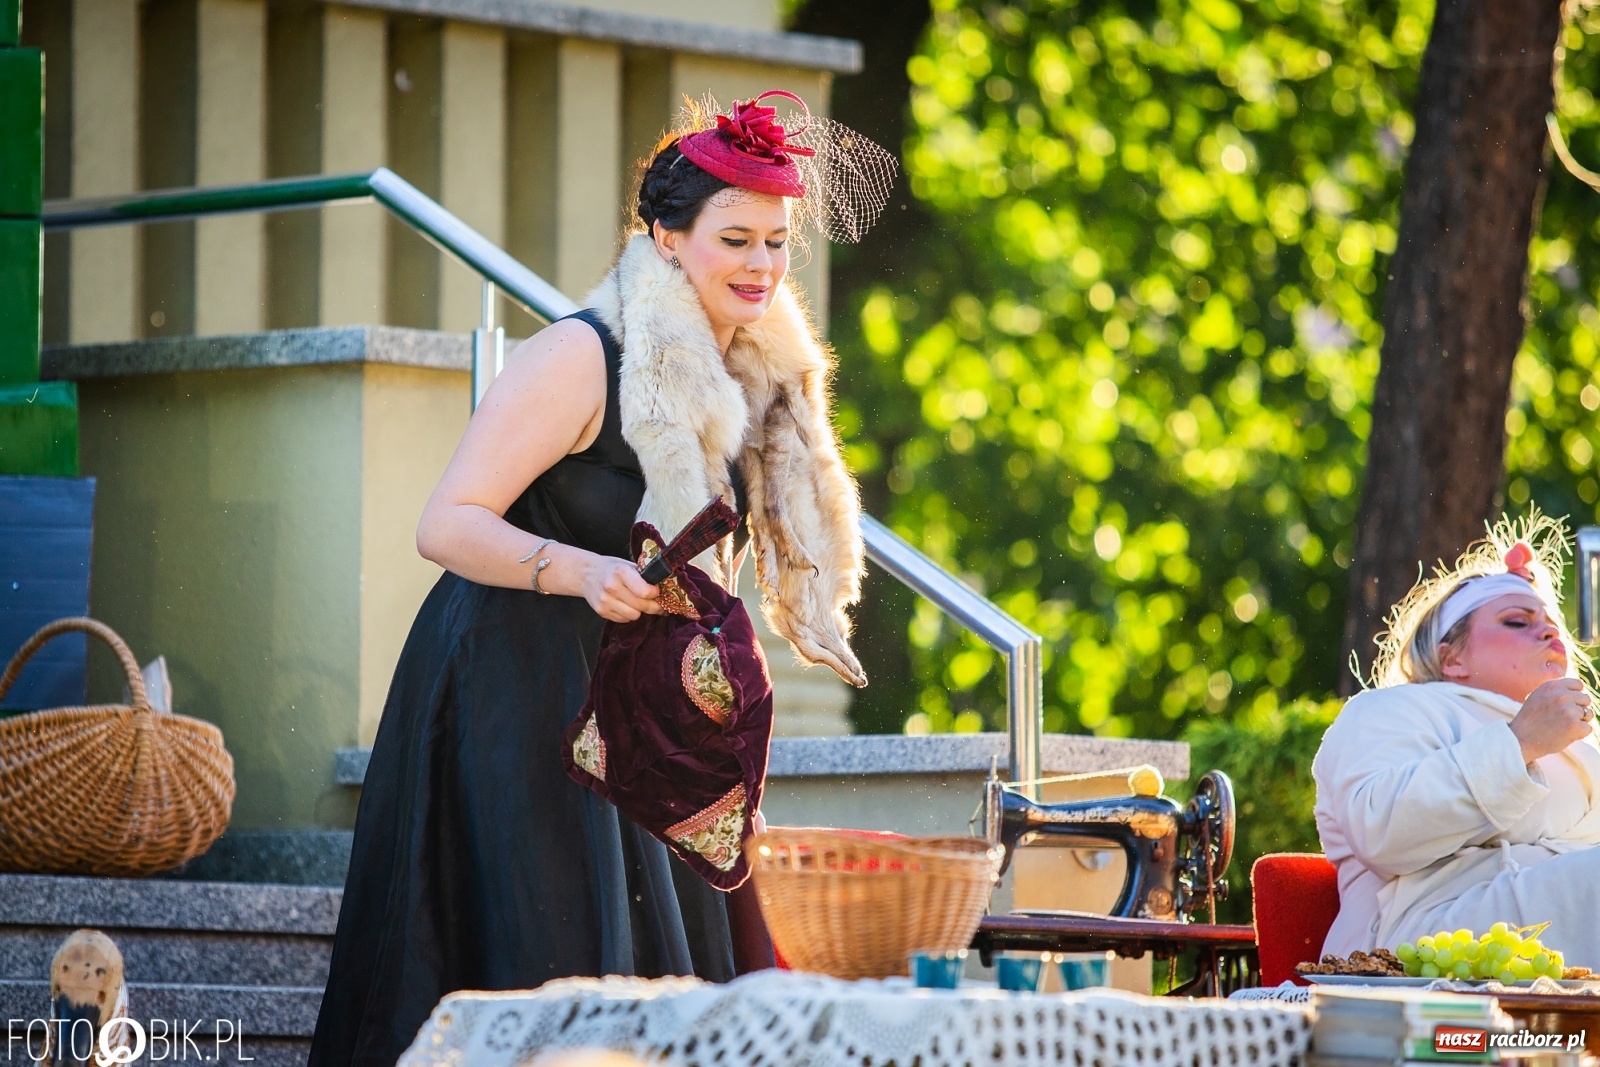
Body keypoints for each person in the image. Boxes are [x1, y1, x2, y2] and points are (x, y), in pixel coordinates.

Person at [308, 92, 890, 1067]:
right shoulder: (580, 355)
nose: (760, 264)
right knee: (549, 955)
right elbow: (444, 522)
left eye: (775, 242)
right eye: (734, 239)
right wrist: (582, 571)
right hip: (517, 693)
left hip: (640, 708)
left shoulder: (747, 375)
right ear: (665, 238)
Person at [1313, 515, 1600, 965]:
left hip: (1549, 943)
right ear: (1452, 658)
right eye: (1516, 621)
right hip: (1424, 940)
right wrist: (1519, 744)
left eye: (1552, 624)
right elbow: (1382, 832)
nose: (1549, 632)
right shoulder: (1390, 709)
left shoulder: (1582, 746)